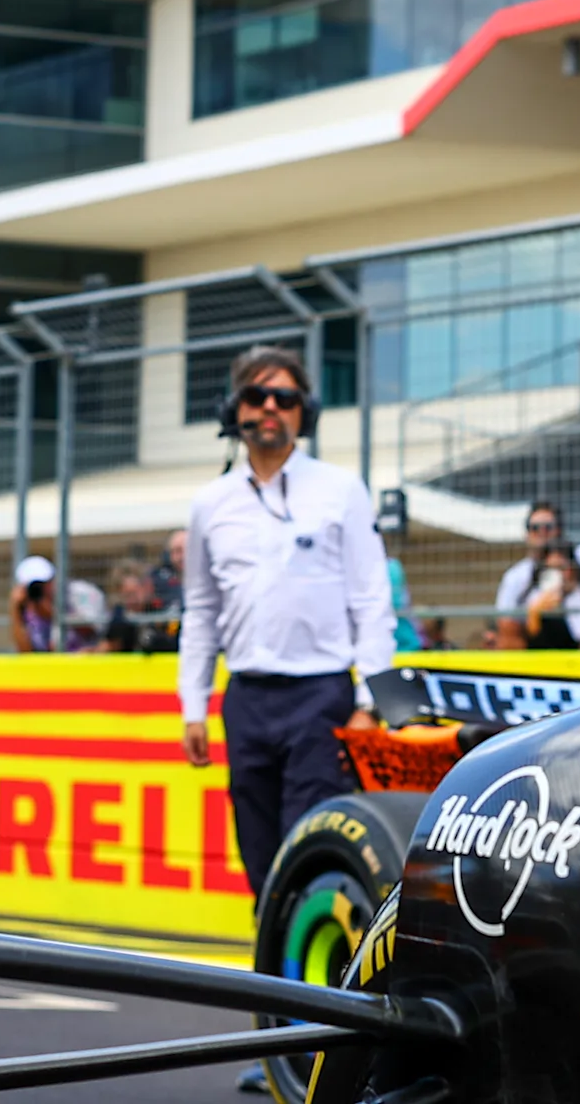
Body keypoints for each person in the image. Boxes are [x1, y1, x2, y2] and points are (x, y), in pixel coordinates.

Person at [178, 344, 396, 917]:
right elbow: (200, 609)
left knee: (310, 843)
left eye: (285, 397)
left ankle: (311, 986)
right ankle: (273, 979)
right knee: (257, 852)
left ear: (306, 411)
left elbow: (372, 598)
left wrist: (370, 701)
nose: (270, 406)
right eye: (256, 395)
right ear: (236, 408)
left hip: (322, 697)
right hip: (246, 698)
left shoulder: (341, 489)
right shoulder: (209, 504)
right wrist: (193, 705)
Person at [495, 499, 580, 646]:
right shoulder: (516, 576)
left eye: (548, 527)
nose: (542, 532)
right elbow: (505, 623)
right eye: (535, 527)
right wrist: (534, 613)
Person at [519, 547, 580, 651]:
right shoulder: (534, 597)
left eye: (561, 568)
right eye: (551, 569)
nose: (557, 575)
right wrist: (535, 614)